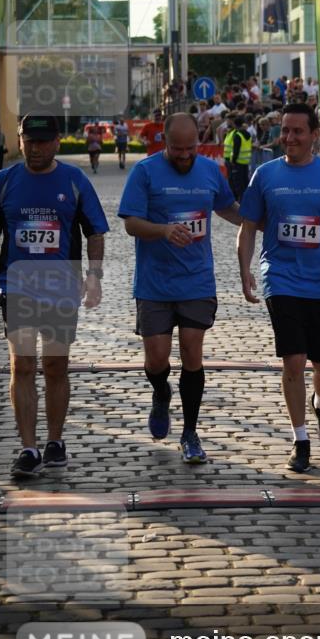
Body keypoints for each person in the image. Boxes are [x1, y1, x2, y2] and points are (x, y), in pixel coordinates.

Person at [0, 114, 108, 478]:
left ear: (57, 143)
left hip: (61, 287)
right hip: (16, 286)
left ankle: (54, 441)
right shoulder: (4, 182)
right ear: (19, 140)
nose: (35, 148)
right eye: (28, 141)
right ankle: (29, 448)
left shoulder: (74, 181)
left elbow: (96, 231)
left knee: (54, 366)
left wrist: (94, 276)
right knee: (22, 365)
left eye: (43, 141)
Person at [238, 102, 320, 473]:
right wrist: (244, 270)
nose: (288, 138)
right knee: (292, 360)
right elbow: (247, 229)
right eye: (284, 131)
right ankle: (300, 439)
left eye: (297, 131)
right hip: (281, 277)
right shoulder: (265, 175)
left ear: (314, 135)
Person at [118, 112, 241, 464]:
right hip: (155, 282)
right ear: (164, 142)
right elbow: (130, 224)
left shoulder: (209, 171)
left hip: (197, 279)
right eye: (177, 149)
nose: (185, 155)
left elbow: (227, 207)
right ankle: (160, 392)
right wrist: (163, 230)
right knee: (156, 359)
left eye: (191, 148)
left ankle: (190, 432)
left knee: (191, 353)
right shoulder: (145, 172)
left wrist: (257, 219)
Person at [223, 115, 252, 201]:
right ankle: (246, 200)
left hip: (237, 162)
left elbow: (236, 149)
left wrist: (233, 161)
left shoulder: (238, 135)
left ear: (235, 124)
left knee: (238, 184)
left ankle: (240, 201)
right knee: (244, 182)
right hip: (245, 162)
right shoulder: (247, 134)